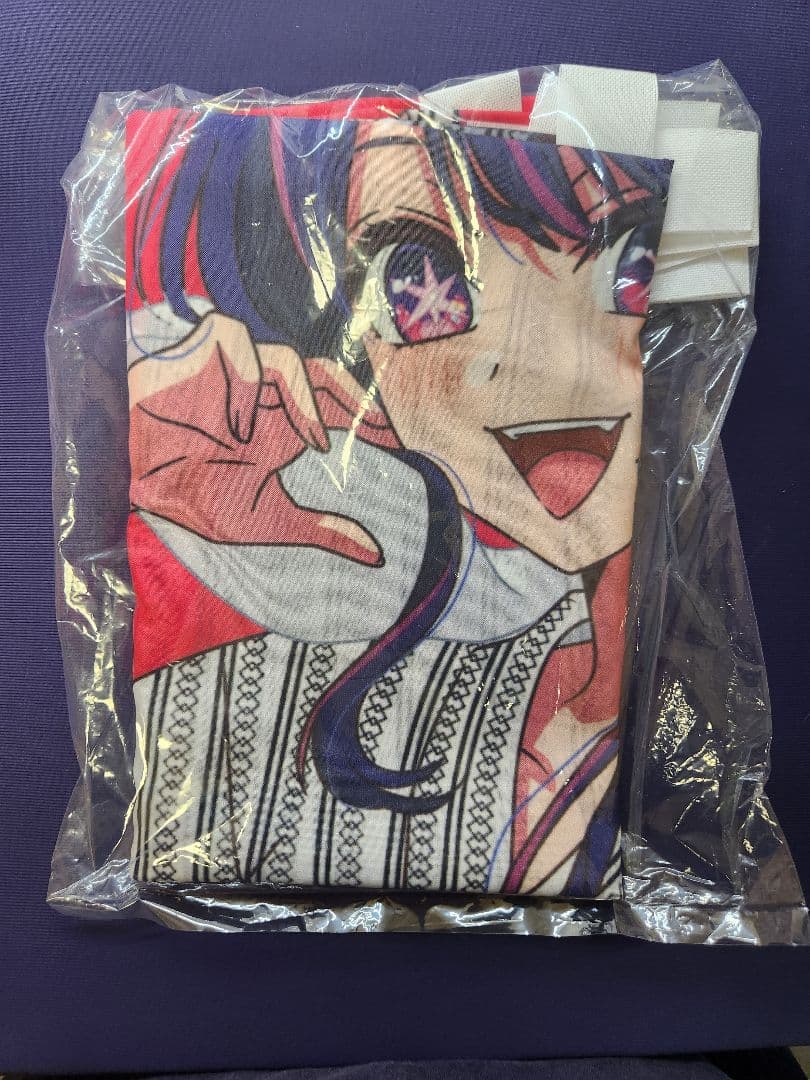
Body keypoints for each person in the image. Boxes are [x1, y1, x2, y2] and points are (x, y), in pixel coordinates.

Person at [124, 101, 670, 893]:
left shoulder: (694, 673)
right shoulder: (253, 677)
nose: (545, 363)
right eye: (417, 275)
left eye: (628, 264)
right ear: (336, 351)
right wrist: (169, 499)